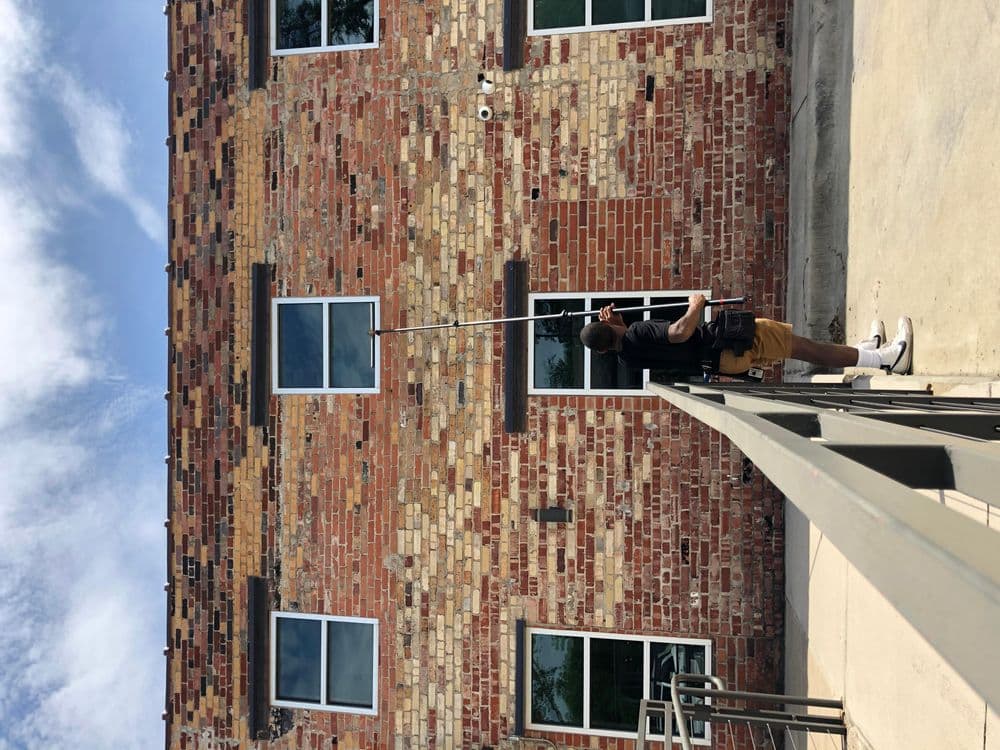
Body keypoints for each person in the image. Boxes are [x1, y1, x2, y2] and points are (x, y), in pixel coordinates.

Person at [578, 293, 912, 377]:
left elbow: (632, 343)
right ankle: (884, 360)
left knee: (799, 349)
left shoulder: (626, 358)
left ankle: (863, 351)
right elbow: (679, 333)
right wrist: (696, 306)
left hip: (725, 362)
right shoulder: (636, 331)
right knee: (806, 349)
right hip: (726, 343)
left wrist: (615, 323)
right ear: (611, 327)